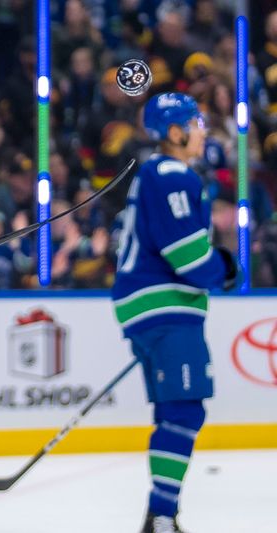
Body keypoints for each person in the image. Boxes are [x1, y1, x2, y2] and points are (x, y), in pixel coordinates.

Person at [112, 92, 240, 533]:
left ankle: (161, 513)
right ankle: (162, 515)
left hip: (150, 305)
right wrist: (221, 267)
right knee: (184, 410)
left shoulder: (157, 174)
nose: (203, 130)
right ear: (174, 132)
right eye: (196, 122)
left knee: (177, 410)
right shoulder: (171, 174)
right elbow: (186, 255)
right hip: (163, 304)